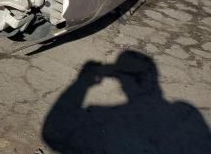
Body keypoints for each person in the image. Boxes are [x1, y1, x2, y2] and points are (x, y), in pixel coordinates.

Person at [42, 50, 211, 153]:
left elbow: (53, 132)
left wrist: (83, 82)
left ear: (124, 82)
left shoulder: (104, 119)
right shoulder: (186, 112)